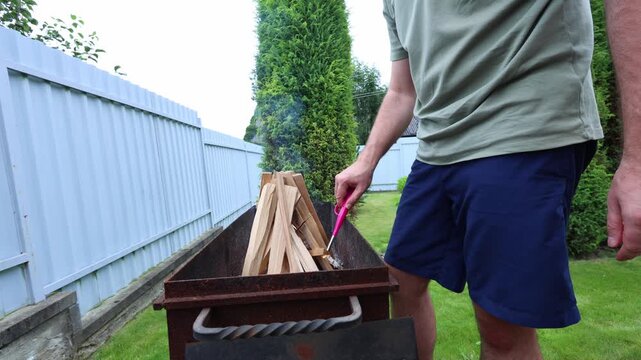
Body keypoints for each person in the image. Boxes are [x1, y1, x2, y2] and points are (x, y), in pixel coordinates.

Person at [334, 1, 641, 359]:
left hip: (522, 130)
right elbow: (403, 90)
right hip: (437, 148)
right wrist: (366, 160)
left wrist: (636, 162)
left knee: (501, 327)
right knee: (399, 281)